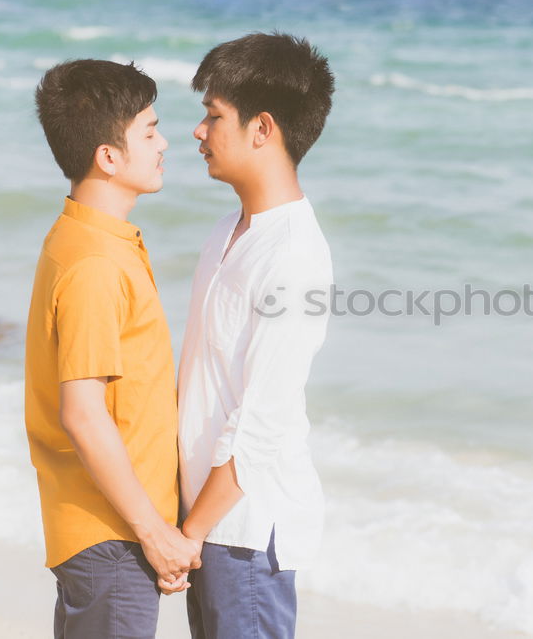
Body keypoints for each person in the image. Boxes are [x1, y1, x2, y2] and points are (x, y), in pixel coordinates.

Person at [25, 59, 201, 639]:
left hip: (106, 529)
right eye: (149, 131)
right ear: (108, 155)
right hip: (113, 536)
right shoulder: (97, 263)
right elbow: (82, 412)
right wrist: (155, 533)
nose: (165, 142)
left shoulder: (85, 236)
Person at [173, 32, 335, 638]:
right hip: (207, 526)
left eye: (214, 116)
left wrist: (189, 536)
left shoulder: (293, 257)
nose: (198, 131)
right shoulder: (227, 231)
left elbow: (260, 424)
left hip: (244, 537)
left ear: (262, 128)